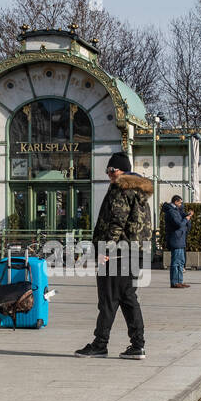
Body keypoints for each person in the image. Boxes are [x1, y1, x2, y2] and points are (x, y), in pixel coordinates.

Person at [76, 152, 153, 359]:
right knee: (128, 298)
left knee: (109, 299)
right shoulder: (138, 190)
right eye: (108, 171)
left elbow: (117, 222)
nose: (109, 174)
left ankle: (100, 344)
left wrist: (106, 250)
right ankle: (138, 345)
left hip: (119, 254)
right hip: (135, 253)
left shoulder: (122, 188)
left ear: (122, 170)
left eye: (112, 170)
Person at [162, 195, 193, 289]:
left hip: (180, 239)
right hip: (175, 239)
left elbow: (182, 221)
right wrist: (186, 219)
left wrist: (187, 216)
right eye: (180, 203)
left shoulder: (177, 211)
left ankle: (179, 281)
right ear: (175, 202)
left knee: (181, 262)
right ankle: (175, 282)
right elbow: (178, 224)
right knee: (176, 262)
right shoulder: (171, 212)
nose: (181, 204)